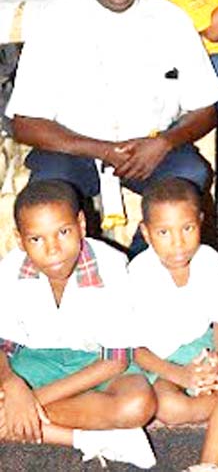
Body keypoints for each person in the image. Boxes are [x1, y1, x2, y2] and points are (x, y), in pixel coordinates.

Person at [6, 0, 218, 255]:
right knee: (48, 196)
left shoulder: (172, 20)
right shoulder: (55, 21)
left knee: (189, 174)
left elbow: (205, 109)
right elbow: (25, 123)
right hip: (73, 149)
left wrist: (163, 143)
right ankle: (82, 276)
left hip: (149, 149)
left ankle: (139, 266)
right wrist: (100, 149)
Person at [0, 181, 157, 468]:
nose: (53, 250)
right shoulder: (10, 268)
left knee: (137, 403)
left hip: (95, 364)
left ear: (81, 225)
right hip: (35, 362)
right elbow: (3, 345)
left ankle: (16, 422)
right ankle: (87, 439)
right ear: (20, 240)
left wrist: (30, 402)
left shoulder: (113, 265)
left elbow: (115, 361)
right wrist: (12, 386)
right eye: (36, 239)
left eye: (63, 232)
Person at [129, 179, 218, 472]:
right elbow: (135, 349)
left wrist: (217, 357)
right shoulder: (137, 274)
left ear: (200, 223)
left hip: (203, 346)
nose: (178, 243)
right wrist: (182, 376)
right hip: (162, 360)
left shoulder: (208, 259)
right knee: (169, 409)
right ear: (145, 232)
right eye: (163, 232)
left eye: (187, 229)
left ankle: (208, 465)